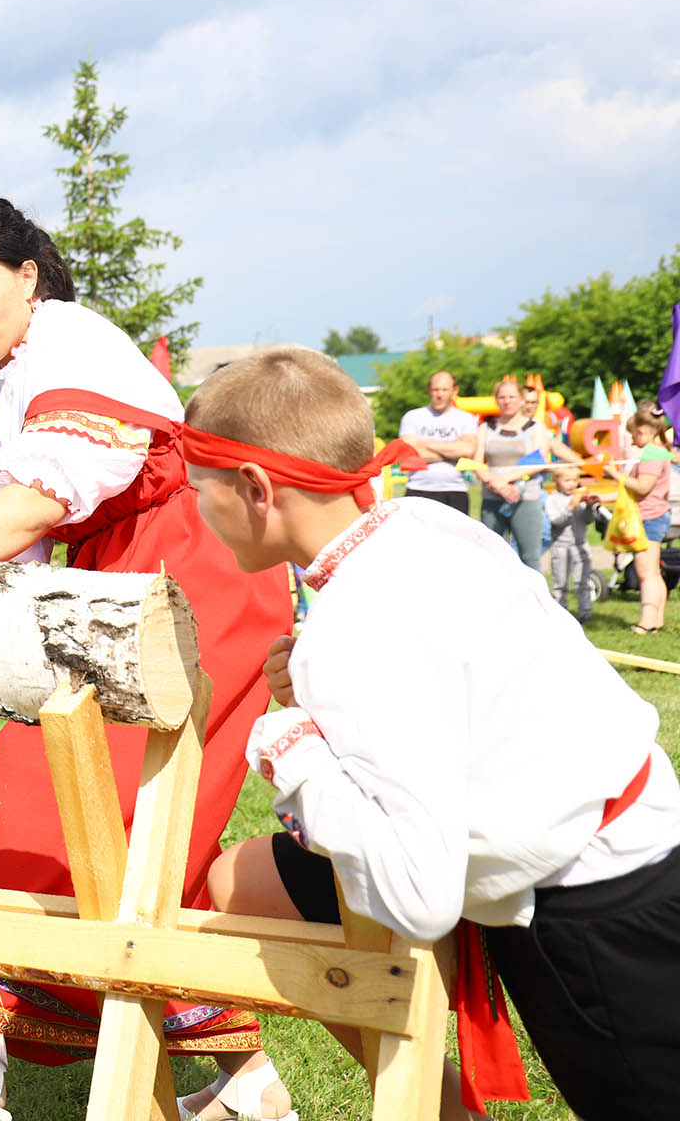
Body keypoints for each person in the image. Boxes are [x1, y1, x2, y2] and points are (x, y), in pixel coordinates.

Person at [0, 199, 292, 1121]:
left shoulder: (72, 345)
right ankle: (245, 1085)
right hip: (116, 581)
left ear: (28, 277)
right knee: (126, 836)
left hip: (193, 577)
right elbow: (9, 534)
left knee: (72, 797)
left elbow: (39, 504)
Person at [182, 346, 680, 1121]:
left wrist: (296, 750)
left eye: (199, 490)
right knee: (251, 881)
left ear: (254, 487)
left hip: (596, 900)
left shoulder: (357, 627)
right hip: (593, 833)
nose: (196, 514)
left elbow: (421, 896)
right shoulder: (418, 526)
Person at [471, 375, 581, 568]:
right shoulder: (485, 427)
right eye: (502, 397)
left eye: (512, 397)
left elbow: (540, 461)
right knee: (493, 557)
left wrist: (504, 480)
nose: (507, 402)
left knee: (530, 557)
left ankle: (534, 598)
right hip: (492, 499)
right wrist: (495, 484)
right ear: (496, 400)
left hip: (526, 498)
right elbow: (477, 462)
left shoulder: (536, 428)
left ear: (521, 399)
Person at [396, 371, 479, 514]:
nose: (440, 394)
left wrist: (423, 443)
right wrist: (452, 450)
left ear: (455, 391)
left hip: (455, 491)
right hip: (418, 490)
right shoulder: (412, 417)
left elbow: (467, 450)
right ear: (429, 390)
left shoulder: (466, 419)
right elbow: (408, 454)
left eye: (445, 390)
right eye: (436, 389)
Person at [621, 409, 672, 636]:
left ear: (642, 431)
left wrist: (617, 475)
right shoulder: (658, 451)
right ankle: (656, 621)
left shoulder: (651, 453)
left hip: (650, 517)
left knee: (646, 573)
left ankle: (646, 623)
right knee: (654, 572)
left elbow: (642, 487)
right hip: (655, 514)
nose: (632, 439)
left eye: (633, 435)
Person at [542, 468, 599, 622]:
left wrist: (588, 507)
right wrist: (570, 507)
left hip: (580, 545)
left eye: (574, 480)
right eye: (567, 480)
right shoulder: (552, 499)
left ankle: (585, 612)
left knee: (582, 580)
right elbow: (556, 521)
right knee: (560, 582)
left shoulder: (578, 497)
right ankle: (560, 612)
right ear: (556, 480)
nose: (571, 484)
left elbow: (587, 520)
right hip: (561, 547)